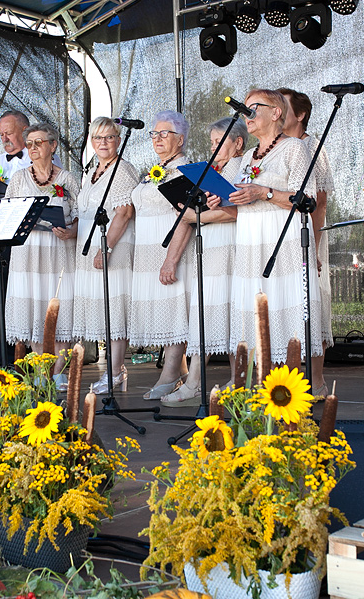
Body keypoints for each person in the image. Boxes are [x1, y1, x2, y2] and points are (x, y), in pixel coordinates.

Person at [222, 89, 323, 366]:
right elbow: (240, 204)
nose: (247, 113)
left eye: (254, 107)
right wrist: (220, 200)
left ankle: (288, 385)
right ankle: (260, 384)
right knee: (255, 312)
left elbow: (308, 200)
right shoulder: (246, 158)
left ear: (276, 113)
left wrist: (264, 192)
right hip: (250, 242)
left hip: (282, 240)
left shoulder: (295, 148)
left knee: (283, 308)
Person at [165, 120, 240, 406]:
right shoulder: (216, 171)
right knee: (210, 311)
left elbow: (235, 212)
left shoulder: (239, 167)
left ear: (238, 144)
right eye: (210, 142)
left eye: (218, 141)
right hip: (211, 245)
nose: (212, 147)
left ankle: (201, 381)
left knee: (224, 310)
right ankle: (200, 380)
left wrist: (194, 216)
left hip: (229, 246)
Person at [3, 122, 81, 383]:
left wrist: (71, 231)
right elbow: (8, 213)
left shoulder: (67, 178)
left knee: (58, 309)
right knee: (34, 310)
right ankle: (40, 373)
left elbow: (82, 214)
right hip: (28, 252)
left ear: (53, 145)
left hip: (59, 250)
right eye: (29, 144)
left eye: (39, 142)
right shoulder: (18, 178)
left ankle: (59, 374)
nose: (33, 148)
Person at [128, 111, 193, 401]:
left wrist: (171, 258)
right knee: (162, 311)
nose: (157, 139)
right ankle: (179, 371)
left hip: (169, 247)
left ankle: (170, 374)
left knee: (173, 308)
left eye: (164, 133)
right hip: (146, 249)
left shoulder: (185, 170)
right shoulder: (154, 169)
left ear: (180, 139)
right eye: (154, 134)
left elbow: (187, 218)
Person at [72, 117, 139, 394]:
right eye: (98, 138)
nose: (103, 143)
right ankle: (111, 371)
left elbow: (124, 213)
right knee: (102, 309)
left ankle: (115, 372)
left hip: (113, 244)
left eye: (109, 137)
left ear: (118, 140)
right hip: (89, 244)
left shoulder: (122, 169)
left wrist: (106, 247)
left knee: (114, 310)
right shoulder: (92, 170)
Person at [279, 88, 334, 394]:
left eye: (282, 107)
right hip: (279, 235)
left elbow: (321, 203)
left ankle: (318, 380)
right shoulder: (275, 147)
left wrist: (312, 244)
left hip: (307, 235)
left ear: (299, 115)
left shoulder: (313, 147)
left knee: (311, 305)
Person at [0, 110, 61, 182]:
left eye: (9, 133)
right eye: (1, 135)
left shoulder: (45, 156)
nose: (5, 139)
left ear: (24, 131)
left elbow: (58, 188)